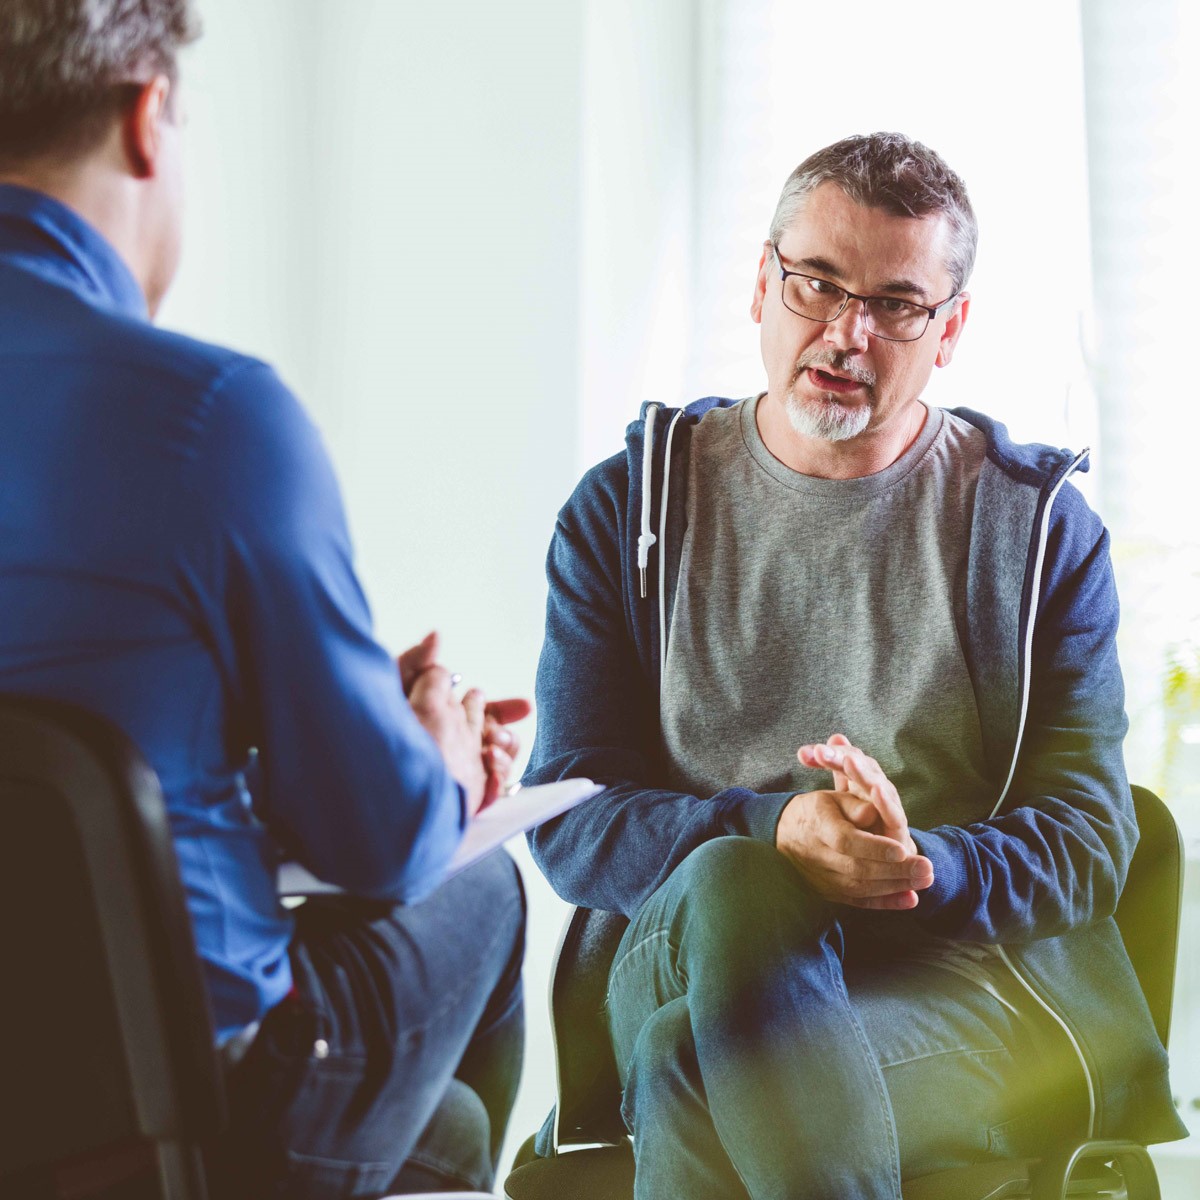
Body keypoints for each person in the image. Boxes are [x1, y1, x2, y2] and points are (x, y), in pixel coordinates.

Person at [523, 132, 1186, 1199]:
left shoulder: (1035, 530)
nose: (847, 333)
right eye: (816, 285)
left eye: (896, 304)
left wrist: (919, 862)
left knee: (695, 1070)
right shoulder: (630, 513)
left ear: (950, 328)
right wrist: (771, 828)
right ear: (760, 284)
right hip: (681, 947)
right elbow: (568, 814)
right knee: (742, 883)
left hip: (946, 986)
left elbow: (1093, 838)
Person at [0, 2, 528, 1195]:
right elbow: (382, 842)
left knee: (431, 1129)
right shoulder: (211, 418)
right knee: (479, 886)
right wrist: (430, 742)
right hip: (165, 1108)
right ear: (149, 119)